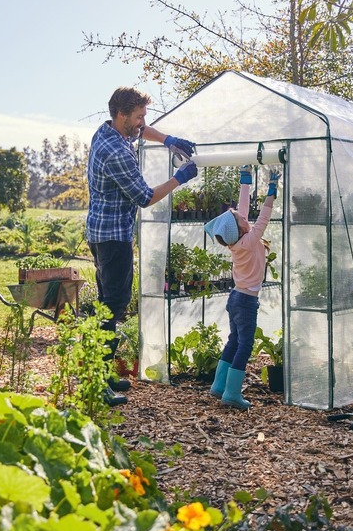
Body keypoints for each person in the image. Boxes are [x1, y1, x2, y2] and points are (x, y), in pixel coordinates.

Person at [86, 86, 198, 406]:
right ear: (122, 115)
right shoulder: (117, 152)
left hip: (101, 232)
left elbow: (141, 132)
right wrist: (180, 177)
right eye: (138, 117)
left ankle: (102, 372)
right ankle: (96, 380)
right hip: (113, 238)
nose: (142, 122)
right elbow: (145, 198)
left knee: (109, 302)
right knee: (113, 307)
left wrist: (168, 140)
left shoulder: (109, 132)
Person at [204, 165, 280, 409]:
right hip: (246, 302)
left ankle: (218, 386)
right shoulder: (249, 240)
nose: (241, 214)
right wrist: (272, 189)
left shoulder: (238, 240)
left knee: (234, 340)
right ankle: (232, 393)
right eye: (238, 217)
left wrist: (245, 180)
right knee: (244, 345)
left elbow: (243, 210)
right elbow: (264, 217)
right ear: (241, 228)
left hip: (235, 298)